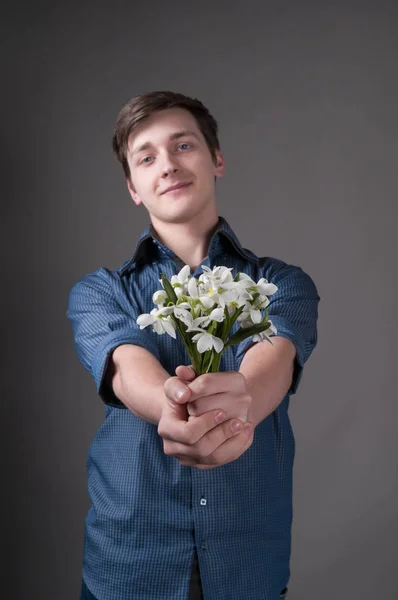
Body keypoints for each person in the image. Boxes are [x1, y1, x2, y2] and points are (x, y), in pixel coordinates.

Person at [67, 91, 320, 600]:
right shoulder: (100, 292)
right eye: (146, 157)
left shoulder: (281, 283)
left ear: (216, 159)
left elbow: (270, 363)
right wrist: (173, 405)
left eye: (184, 145)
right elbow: (125, 365)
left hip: (248, 569)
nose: (167, 166)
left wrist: (241, 396)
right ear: (133, 187)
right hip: (128, 570)